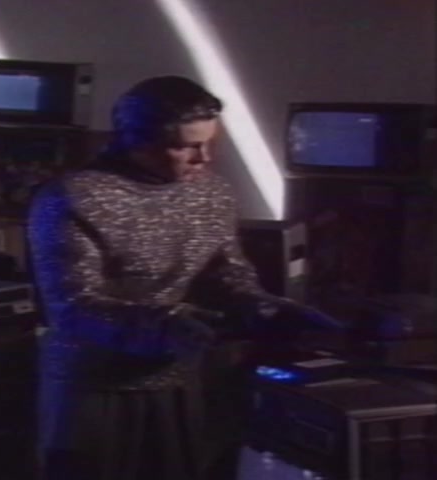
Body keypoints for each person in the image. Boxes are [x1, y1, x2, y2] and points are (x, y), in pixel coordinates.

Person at [28, 76, 343, 480]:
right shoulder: (71, 198)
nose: (203, 158)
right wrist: (167, 324)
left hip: (178, 380)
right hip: (92, 389)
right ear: (135, 142)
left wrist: (268, 309)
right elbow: (71, 307)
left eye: (210, 143)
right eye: (185, 146)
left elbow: (227, 275)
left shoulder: (212, 193)